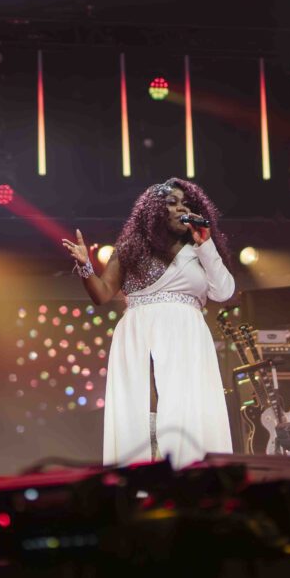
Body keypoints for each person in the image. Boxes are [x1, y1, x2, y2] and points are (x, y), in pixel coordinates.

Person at [62, 177, 235, 468]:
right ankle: (145, 473)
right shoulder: (130, 248)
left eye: (186, 203)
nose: (181, 208)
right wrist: (85, 265)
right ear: (154, 210)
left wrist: (206, 246)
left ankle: (187, 474)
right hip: (139, 332)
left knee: (185, 407)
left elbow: (224, 292)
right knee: (143, 404)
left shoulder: (199, 249)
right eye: (172, 202)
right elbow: (102, 294)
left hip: (186, 335)